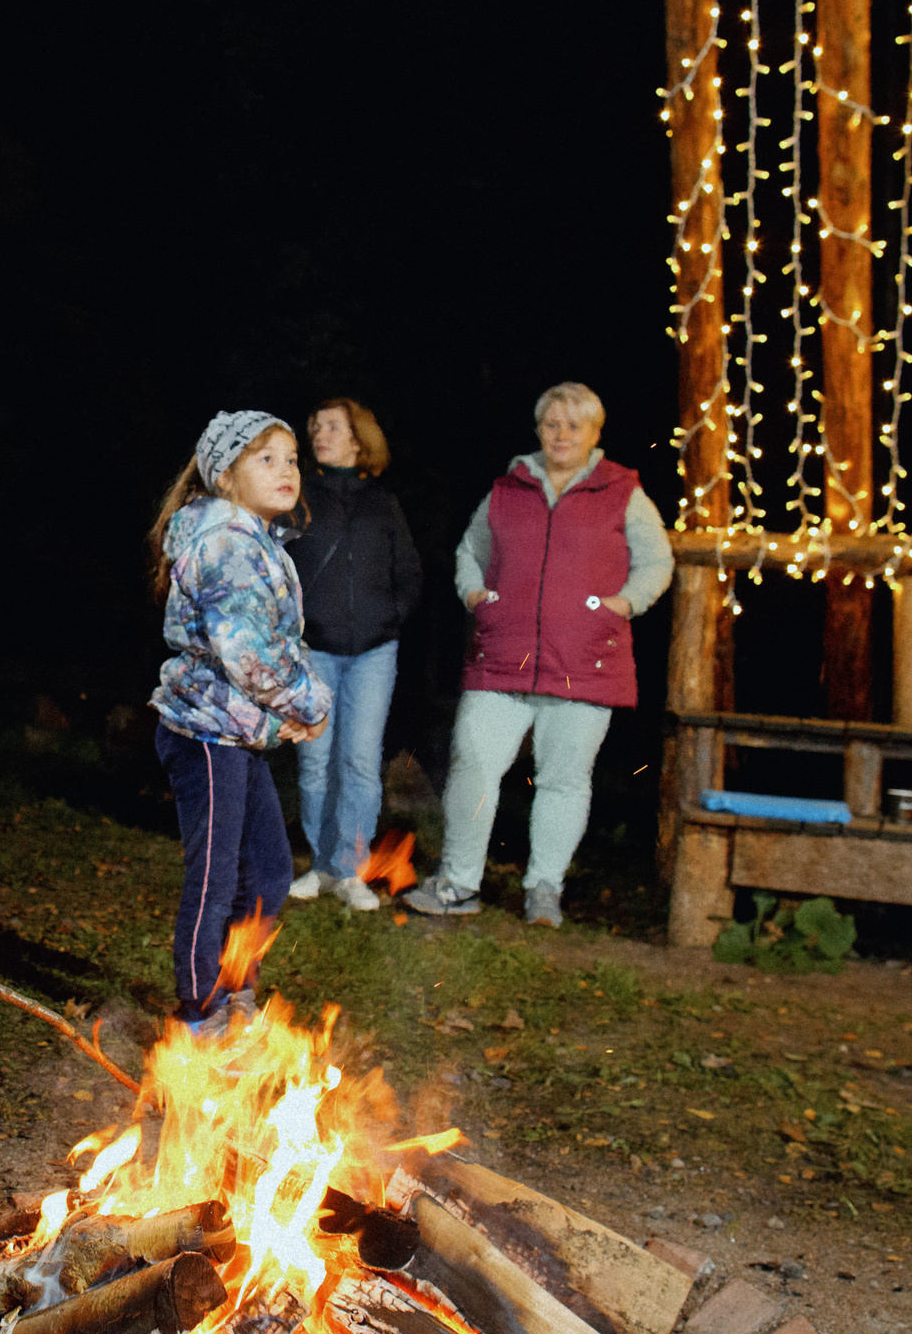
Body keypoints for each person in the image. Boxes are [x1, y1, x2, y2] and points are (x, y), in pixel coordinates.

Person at [402, 382, 672, 927]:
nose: (561, 435)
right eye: (552, 424)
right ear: (539, 430)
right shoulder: (508, 490)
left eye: (574, 426)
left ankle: (544, 889)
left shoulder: (623, 492)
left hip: (585, 661)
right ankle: (458, 881)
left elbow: (657, 562)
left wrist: (622, 605)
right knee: (473, 763)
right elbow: (470, 551)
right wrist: (475, 595)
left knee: (563, 779)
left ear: (594, 433)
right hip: (503, 657)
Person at [148, 411, 331, 1033]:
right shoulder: (226, 544)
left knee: (270, 871)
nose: (287, 470)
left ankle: (235, 988)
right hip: (206, 734)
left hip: (238, 734)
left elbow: (280, 643)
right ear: (224, 477)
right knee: (215, 877)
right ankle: (200, 1009)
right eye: (266, 459)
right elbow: (248, 653)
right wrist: (309, 706)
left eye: (292, 459)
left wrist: (296, 707)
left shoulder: (257, 540)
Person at [284, 397, 420, 912]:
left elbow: (409, 571)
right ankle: (321, 865)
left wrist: (390, 617)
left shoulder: (383, 503)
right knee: (315, 761)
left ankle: (350, 869)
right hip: (313, 649)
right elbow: (278, 566)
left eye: (333, 428)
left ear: (360, 441)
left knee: (360, 761)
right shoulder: (298, 497)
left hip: (373, 653)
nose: (320, 435)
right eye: (316, 426)